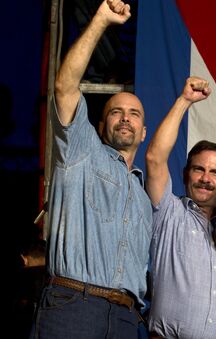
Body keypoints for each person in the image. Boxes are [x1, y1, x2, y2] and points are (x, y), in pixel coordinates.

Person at [36, 0, 152, 337]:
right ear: (100, 125)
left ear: (143, 132)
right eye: (116, 111)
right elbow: (65, 87)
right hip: (74, 306)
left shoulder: (144, 199)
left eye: (134, 113)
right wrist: (101, 19)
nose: (126, 118)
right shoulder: (81, 150)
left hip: (127, 318)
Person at [145, 76, 216, 338]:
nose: (205, 178)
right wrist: (184, 101)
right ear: (186, 173)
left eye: (215, 173)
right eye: (199, 169)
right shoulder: (168, 213)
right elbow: (155, 158)